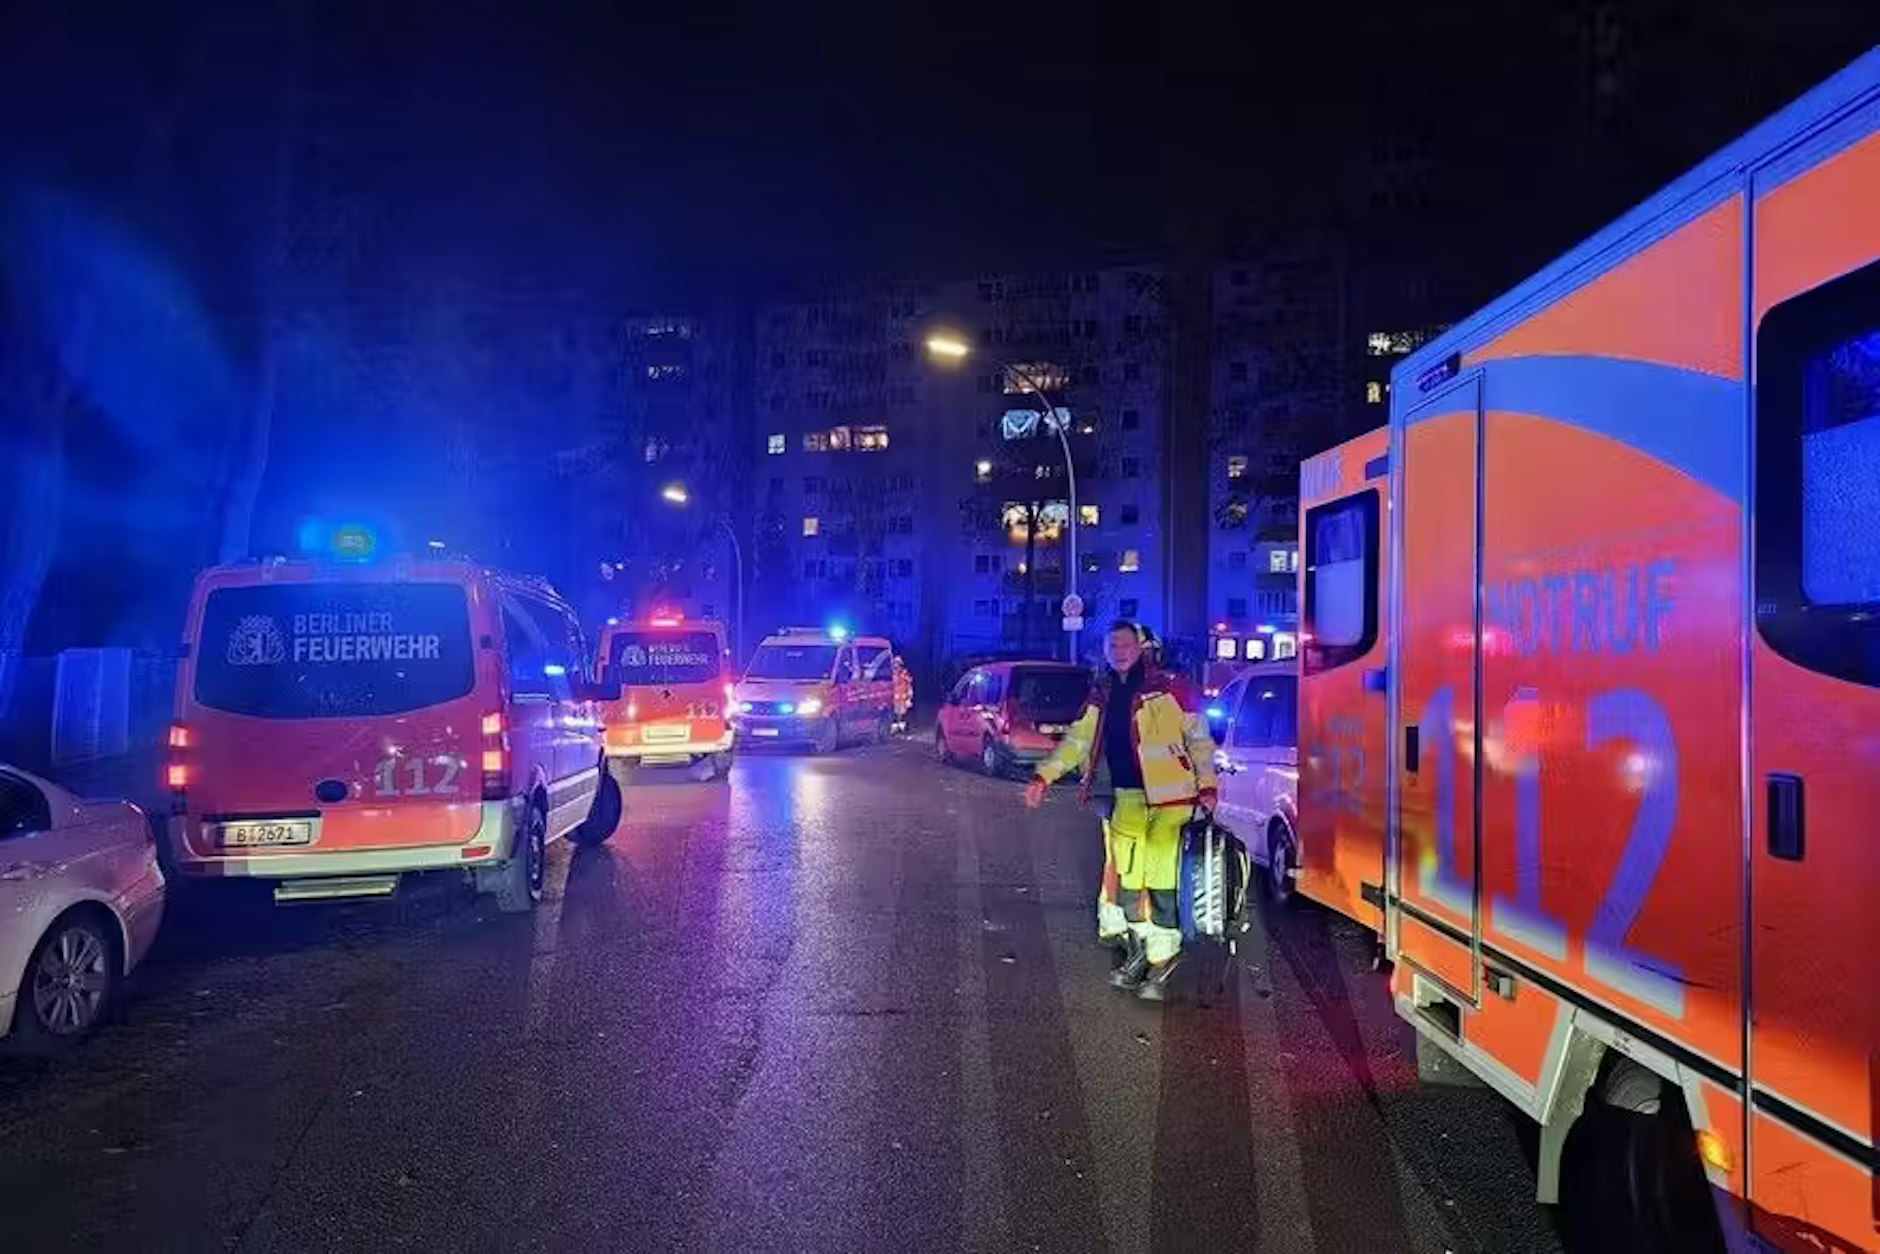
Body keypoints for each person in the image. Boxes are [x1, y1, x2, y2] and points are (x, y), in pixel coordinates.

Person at [1025, 619, 1218, 1000]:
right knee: (1129, 882)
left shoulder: (1171, 688)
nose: (1118, 650)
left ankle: (1164, 959)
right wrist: (1044, 776)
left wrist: (1207, 785)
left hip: (1172, 800)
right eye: (1112, 645)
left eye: (1126, 644)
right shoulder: (1102, 693)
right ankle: (1141, 952)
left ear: (1143, 647)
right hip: (1125, 797)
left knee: (1161, 883)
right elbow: (1078, 741)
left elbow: (1199, 741)